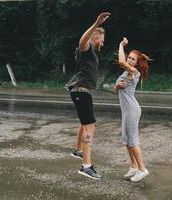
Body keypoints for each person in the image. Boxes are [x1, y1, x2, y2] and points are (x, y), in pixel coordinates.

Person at [66, 12, 111, 180]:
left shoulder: (88, 52)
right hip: (81, 92)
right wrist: (96, 23)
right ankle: (86, 166)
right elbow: (82, 41)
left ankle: (78, 150)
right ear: (94, 37)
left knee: (86, 125)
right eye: (102, 39)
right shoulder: (87, 47)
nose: (103, 42)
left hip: (81, 92)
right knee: (90, 127)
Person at [114, 37, 151, 182]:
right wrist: (117, 86)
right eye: (129, 58)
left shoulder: (135, 72)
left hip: (132, 109)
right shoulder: (125, 74)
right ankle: (134, 166)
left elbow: (121, 62)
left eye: (133, 59)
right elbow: (115, 89)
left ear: (137, 63)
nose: (129, 60)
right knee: (126, 139)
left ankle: (142, 169)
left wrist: (121, 45)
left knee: (133, 140)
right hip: (126, 110)